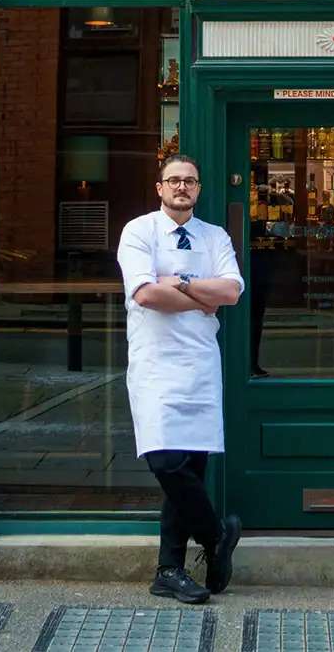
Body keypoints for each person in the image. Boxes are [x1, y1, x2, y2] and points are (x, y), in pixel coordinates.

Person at [117, 153, 245, 603]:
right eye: (173, 180)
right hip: (155, 363)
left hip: (199, 364)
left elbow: (230, 291)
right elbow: (147, 294)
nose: (182, 187)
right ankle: (215, 536)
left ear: (199, 189)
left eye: (190, 181)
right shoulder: (139, 232)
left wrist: (183, 285)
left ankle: (168, 569)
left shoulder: (215, 236)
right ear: (159, 187)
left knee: (188, 468)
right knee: (165, 462)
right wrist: (201, 294)